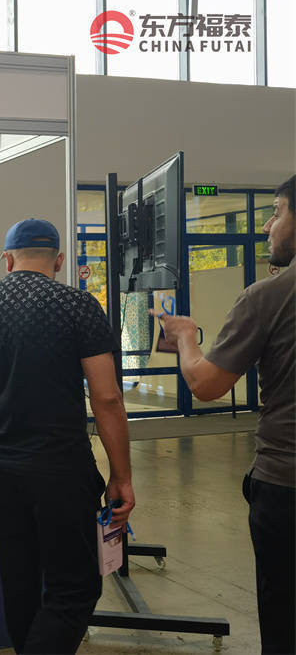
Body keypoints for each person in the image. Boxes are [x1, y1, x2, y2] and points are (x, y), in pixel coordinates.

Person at [0, 218, 135, 654]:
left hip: (1, 469)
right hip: (62, 470)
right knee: (75, 588)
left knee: (19, 585)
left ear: (7, 259)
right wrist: (121, 475)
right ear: (59, 260)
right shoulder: (78, 305)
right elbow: (107, 397)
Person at [157, 175, 294, 654]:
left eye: (276, 212)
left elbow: (207, 383)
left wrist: (185, 337)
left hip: (287, 487)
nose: (267, 227)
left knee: (285, 621)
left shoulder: (269, 296)